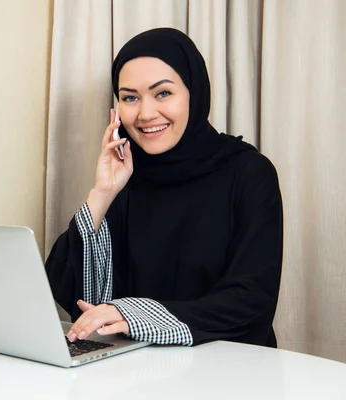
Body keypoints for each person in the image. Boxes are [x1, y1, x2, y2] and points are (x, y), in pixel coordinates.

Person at [45, 27, 283, 347]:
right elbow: (71, 292)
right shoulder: (128, 176)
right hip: (136, 371)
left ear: (194, 93)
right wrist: (102, 194)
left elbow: (252, 301)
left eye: (163, 93)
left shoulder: (248, 173)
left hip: (227, 370)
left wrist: (134, 315)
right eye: (130, 97)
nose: (145, 113)